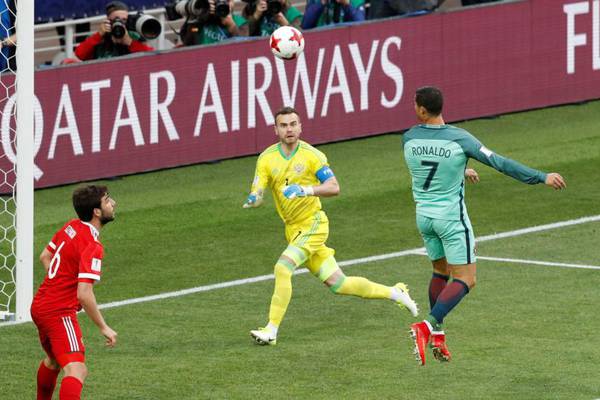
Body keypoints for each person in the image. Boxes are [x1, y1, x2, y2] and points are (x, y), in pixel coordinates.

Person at [403, 86, 566, 365]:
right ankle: (427, 326)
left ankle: (439, 336)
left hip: (424, 218)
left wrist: (460, 170)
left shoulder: (409, 138)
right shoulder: (460, 139)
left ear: (421, 109)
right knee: (466, 279)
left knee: (439, 272)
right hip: (450, 219)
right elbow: (499, 163)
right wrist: (541, 176)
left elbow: (429, 166)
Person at [243, 106, 418, 346]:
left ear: (300, 127)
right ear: (276, 130)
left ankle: (271, 330)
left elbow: (334, 187)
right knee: (340, 284)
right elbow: (258, 191)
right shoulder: (266, 158)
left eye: (293, 124)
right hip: (293, 231)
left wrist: (305, 190)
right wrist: (254, 199)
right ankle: (395, 292)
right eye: (283, 125)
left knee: (283, 268)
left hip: (314, 224)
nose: (289, 129)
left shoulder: (312, 155)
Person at [30, 185, 118, 400]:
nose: (113, 203)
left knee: (53, 361)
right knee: (77, 369)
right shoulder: (92, 245)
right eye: (107, 200)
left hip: (40, 306)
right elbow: (84, 293)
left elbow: (45, 256)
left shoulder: (72, 226)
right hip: (58, 311)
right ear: (97, 212)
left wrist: (59, 279)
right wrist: (104, 327)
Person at [74, 1, 153, 61]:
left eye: (124, 20)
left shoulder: (133, 35)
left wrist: (129, 42)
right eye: (116, 19)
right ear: (108, 20)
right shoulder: (99, 38)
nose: (120, 22)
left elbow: (150, 56)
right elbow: (80, 54)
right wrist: (99, 35)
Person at [180, 0, 248, 46]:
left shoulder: (240, 21)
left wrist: (232, 26)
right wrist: (198, 17)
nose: (225, 5)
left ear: (233, 2)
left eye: (227, 1)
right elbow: (187, 42)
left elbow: (246, 47)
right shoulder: (203, 19)